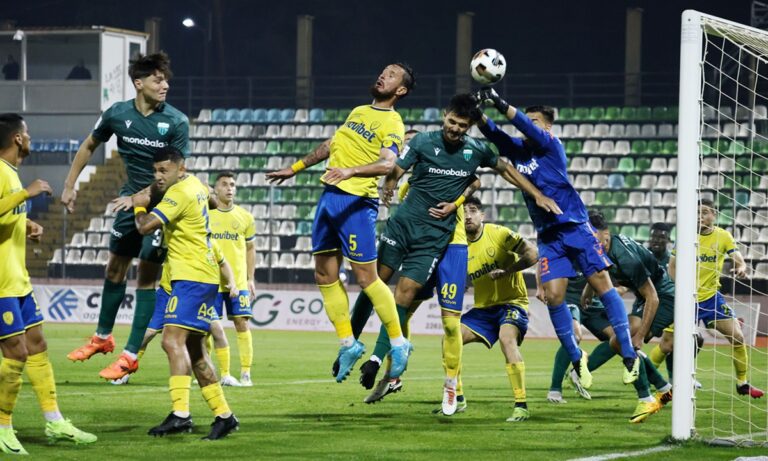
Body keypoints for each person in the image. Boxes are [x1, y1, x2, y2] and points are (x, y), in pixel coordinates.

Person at [350, 94, 560, 410]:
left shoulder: (472, 153)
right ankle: (389, 371)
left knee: (450, 324)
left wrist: (535, 194)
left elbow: (488, 176)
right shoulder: (418, 166)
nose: (455, 129)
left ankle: (453, 390)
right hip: (422, 243)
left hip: (452, 246)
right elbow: (403, 176)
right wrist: (390, 184)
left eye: (462, 125)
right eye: (452, 122)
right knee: (399, 307)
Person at [476, 88, 639, 390]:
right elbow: (495, 133)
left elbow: (520, 124)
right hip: (549, 236)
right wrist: (476, 112)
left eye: (535, 121)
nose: (528, 125)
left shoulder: (551, 146)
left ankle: (629, 355)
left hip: (574, 226)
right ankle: (577, 358)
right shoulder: (518, 150)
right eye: (528, 120)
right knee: (553, 297)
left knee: (602, 285)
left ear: (547, 126)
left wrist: (497, 101)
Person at [266, 63, 415, 383]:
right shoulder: (360, 111)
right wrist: (295, 168)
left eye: (391, 75)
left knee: (366, 278)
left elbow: (387, 163)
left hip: (356, 202)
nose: (383, 75)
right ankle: (348, 343)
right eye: (383, 71)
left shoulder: (393, 122)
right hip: (329, 197)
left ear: (401, 90)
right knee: (323, 273)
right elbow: (331, 145)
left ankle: (399, 342)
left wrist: (350, 171)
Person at [62, 52, 190, 381]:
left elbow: (176, 175)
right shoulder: (117, 114)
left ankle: (130, 355)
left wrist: (139, 198)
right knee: (115, 269)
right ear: (139, 83)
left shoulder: (176, 121)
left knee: (146, 277)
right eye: (158, 80)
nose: (165, 85)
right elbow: (89, 145)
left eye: (166, 80)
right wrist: (70, 185)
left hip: (161, 206)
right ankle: (103, 338)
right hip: (129, 201)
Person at [0, 113, 96, 454]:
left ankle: (54, 420)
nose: (30, 137)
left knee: (37, 344)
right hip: (1, 285)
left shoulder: (11, 173)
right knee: (17, 352)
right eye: (26, 133)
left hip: (18, 280)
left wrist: (26, 225)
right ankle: (3, 426)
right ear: (17, 138)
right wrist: (26, 194)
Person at [131, 146, 239, 439]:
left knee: (171, 341)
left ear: (181, 168)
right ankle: (224, 416)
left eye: (164, 170)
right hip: (200, 274)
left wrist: (139, 205)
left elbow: (144, 227)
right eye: (155, 171)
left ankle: (180, 414)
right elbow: (213, 203)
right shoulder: (196, 184)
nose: (158, 176)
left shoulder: (179, 193)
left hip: (192, 276)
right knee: (195, 350)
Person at [448, 196, 538, 420]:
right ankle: (457, 398)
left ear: (482, 215)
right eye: (463, 212)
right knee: (450, 339)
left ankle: (521, 405)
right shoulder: (459, 246)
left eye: (473, 210)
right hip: (484, 309)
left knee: (507, 339)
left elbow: (533, 254)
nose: (468, 216)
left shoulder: (499, 234)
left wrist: (508, 271)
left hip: (512, 303)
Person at [668, 199, 763, 398]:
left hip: (711, 298)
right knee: (667, 344)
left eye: (704, 212)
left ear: (714, 215)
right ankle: (656, 386)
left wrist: (741, 268)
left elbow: (738, 259)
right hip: (688, 299)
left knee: (737, 337)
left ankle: (742, 382)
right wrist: (681, 291)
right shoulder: (685, 236)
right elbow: (672, 267)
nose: (700, 216)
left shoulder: (723, 236)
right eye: (697, 212)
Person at [208, 172, 257, 387]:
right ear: (216, 189)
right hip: (211, 280)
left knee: (242, 323)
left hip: (238, 280)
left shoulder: (245, 217)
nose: (230, 188)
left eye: (233, 185)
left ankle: (245, 374)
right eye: (225, 184)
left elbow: (250, 248)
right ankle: (216, 373)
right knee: (209, 327)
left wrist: (250, 278)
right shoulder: (206, 216)